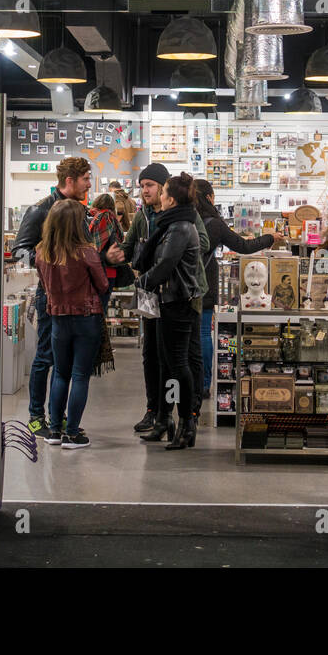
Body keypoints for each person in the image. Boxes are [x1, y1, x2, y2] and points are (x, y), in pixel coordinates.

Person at [110, 163, 209, 434]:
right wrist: (115, 255)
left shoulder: (184, 217)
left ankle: (189, 412)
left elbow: (202, 242)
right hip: (153, 295)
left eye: (150, 186)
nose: (145, 191)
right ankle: (157, 411)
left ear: (165, 190)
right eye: (142, 186)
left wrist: (170, 258)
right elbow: (129, 247)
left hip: (182, 294)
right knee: (152, 354)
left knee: (185, 357)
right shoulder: (143, 217)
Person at [13, 156, 96, 439]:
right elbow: (19, 250)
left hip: (77, 300)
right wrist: (49, 267)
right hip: (50, 295)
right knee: (45, 356)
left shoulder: (79, 210)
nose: (89, 183)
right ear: (70, 181)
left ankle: (58, 420)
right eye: (86, 178)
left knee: (67, 364)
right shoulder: (40, 211)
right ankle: (37, 416)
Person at [132, 172, 204, 449]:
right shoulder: (170, 225)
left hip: (177, 304)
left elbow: (165, 266)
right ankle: (165, 419)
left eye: (162, 193)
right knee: (166, 365)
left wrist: (140, 283)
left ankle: (186, 423)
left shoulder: (180, 228)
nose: (157, 196)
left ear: (171, 199)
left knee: (177, 365)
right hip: (166, 303)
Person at [193, 178, 281, 397]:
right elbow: (243, 246)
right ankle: (204, 385)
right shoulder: (214, 223)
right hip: (204, 284)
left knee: (186, 336)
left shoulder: (186, 219)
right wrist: (270, 237)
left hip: (183, 285)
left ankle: (188, 382)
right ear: (209, 198)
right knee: (204, 333)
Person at [33, 199, 108, 449]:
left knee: (60, 374)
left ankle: (54, 430)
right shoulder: (86, 252)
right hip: (86, 318)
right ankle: (73, 434)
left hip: (57, 320)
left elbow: (43, 284)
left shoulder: (42, 252)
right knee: (80, 376)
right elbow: (103, 285)